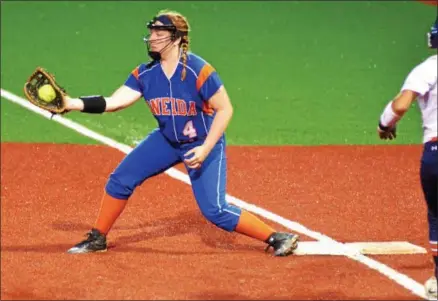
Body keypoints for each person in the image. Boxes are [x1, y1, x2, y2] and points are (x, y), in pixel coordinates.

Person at [63, 10, 299, 256]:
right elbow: (114, 102)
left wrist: (206, 148)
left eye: (158, 32)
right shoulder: (145, 73)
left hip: (201, 143)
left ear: (176, 38)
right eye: (151, 32)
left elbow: (225, 109)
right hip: (167, 140)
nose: (151, 37)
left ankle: (277, 237)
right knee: (120, 179)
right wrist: (72, 103)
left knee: (214, 210)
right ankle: (98, 238)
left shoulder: (199, 70)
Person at [377, 17, 437, 300]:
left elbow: (401, 104)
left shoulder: (427, 69)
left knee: (437, 215)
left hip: (435, 154)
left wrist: (385, 123)